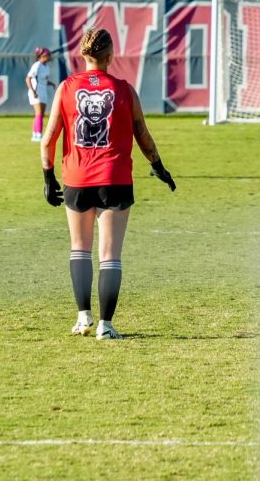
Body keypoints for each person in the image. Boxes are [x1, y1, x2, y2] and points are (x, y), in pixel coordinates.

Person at [40, 28, 176, 341]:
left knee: (79, 249)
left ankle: (82, 317)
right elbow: (142, 134)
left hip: (76, 179)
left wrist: (48, 176)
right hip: (115, 179)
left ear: (82, 55)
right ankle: (106, 325)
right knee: (110, 255)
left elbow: (48, 140)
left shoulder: (67, 87)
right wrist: (158, 166)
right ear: (110, 55)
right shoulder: (125, 89)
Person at [25, 47, 57, 142]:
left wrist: (50, 83)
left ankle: (35, 134)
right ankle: (38, 134)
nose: (49, 57)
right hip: (36, 91)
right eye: (47, 55)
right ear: (42, 56)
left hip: (43, 90)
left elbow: (43, 80)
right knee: (38, 113)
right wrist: (33, 91)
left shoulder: (46, 67)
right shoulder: (37, 65)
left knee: (40, 114)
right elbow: (28, 78)